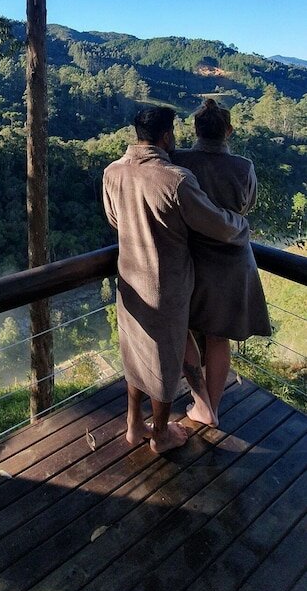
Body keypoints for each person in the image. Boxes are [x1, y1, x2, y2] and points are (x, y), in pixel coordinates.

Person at [102, 106, 249, 454]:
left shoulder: (112, 172)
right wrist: (240, 225)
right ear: (166, 136)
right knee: (165, 361)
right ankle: (161, 437)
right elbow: (214, 223)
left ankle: (134, 425)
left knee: (135, 352)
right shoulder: (175, 179)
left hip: (129, 278)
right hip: (165, 283)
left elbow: (114, 220)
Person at [172, 99, 271, 425]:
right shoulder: (243, 168)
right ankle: (210, 407)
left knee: (183, 328)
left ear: (195, 129)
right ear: (228, 131)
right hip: (231, 262)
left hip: (190, 260)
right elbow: (247, 206)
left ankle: (199, 402)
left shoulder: (179, 162)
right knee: (218, 338)